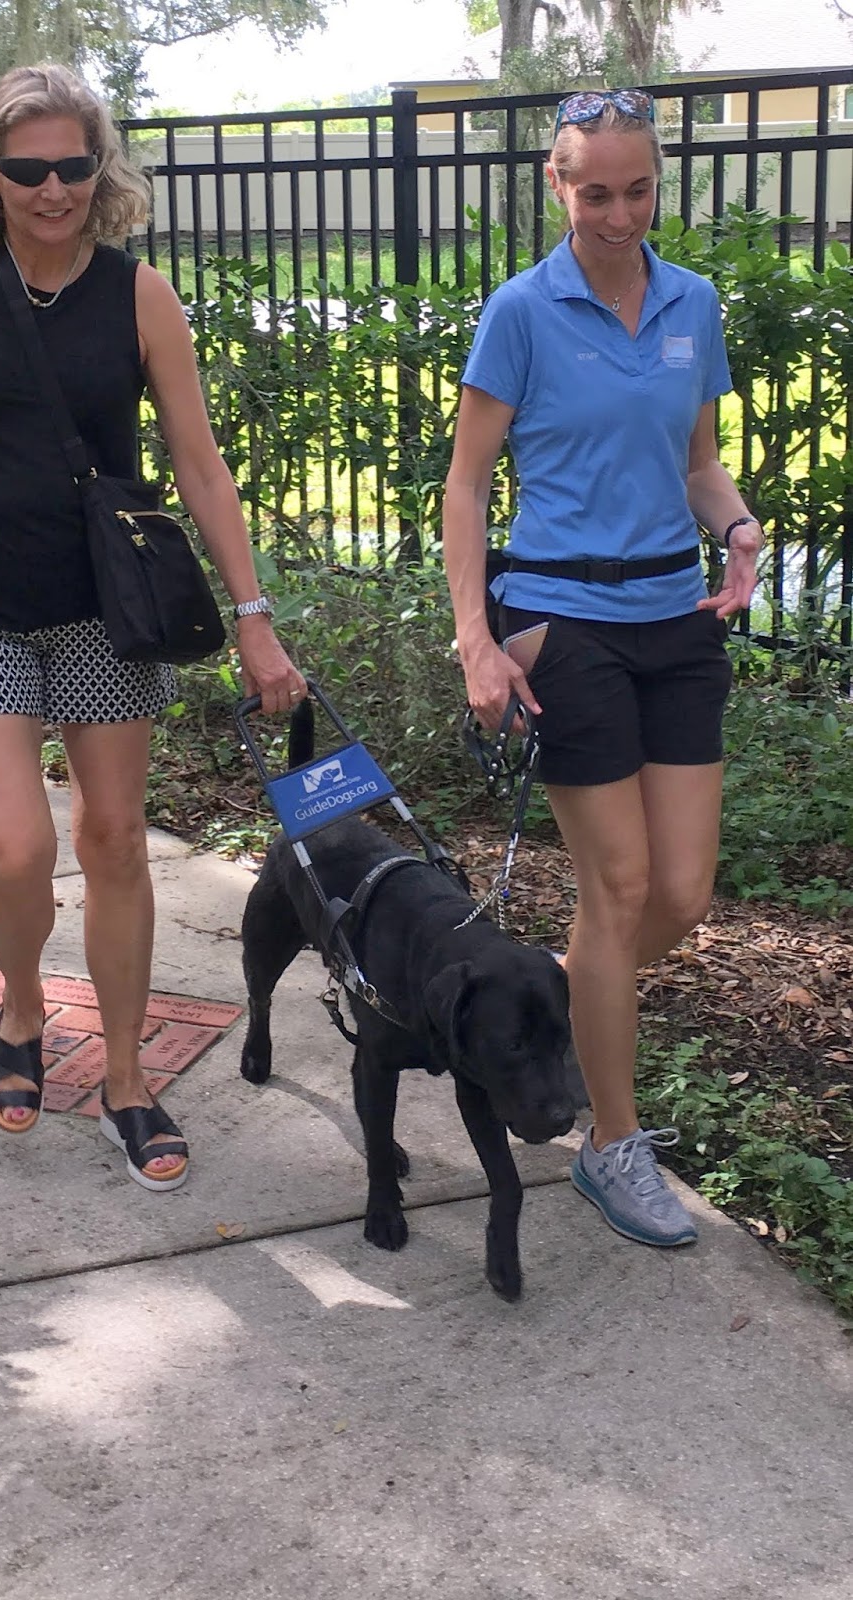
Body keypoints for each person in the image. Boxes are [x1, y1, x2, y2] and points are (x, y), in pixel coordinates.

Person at [0, 63, 305, 1191]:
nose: (52, 188)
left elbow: (200, 466)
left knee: (116, 840)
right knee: (18, 845)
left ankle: (125, 1077)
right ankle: (23, 1006)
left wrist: (256, 618)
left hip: (101, 610)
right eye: (26, 169)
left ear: (100, 166)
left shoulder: (139, 296)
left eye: (73, 165)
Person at [442, 89, 762, 1248]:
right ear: (556, 185)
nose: (617, 213)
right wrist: (478, 638)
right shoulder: (522, 311)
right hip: (560, 622)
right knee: (617, 889)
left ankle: (557, 1002)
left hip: (673, 621)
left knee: (678, 894)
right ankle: (609, 1145)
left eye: (636, 189)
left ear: (656, 183)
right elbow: (469, 486)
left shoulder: (692, 303)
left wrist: (734, 527)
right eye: (594, 192)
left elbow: (697, 460)